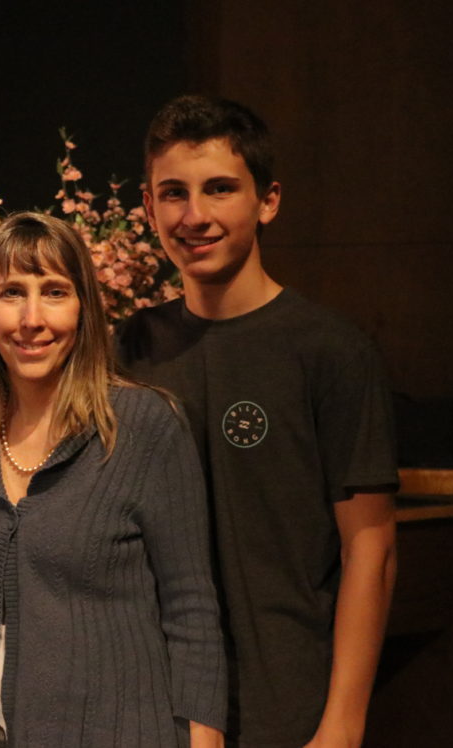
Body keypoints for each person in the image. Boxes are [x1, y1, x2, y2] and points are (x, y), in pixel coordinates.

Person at [118, 95, 398, 747]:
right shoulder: (125, 349)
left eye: (219, 189)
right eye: (173, 193)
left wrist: (342, 725)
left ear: (267, 200)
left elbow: (371, 548)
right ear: (148, 205)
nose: (195, 216)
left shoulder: (330, 350)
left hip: (291, 710)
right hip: (159, 709)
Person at [0, 211, 227, 746]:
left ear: (84, 308)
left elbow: (192, 610)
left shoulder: (144, 426)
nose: (32, 318)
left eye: (55, 292)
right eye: (11, 293)